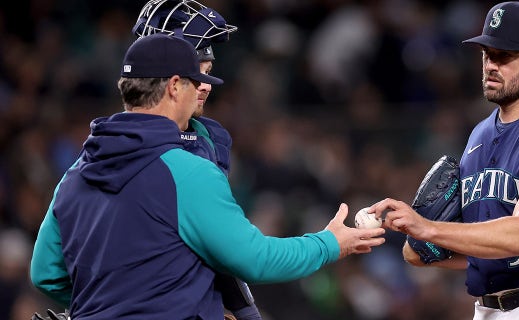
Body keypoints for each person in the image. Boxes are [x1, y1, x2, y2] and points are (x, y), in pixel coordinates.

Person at [29, 33, 385, 319]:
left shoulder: (74, 174)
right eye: (195, 81)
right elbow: (257, 260)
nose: (204, 89)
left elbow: (45, 272)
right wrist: (329, 244)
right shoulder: (186, 171)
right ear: (173, 86)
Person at [368, 1, 519, 319]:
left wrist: (429, 229)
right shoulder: (479, 134)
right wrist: (424, 247)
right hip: (488, 308)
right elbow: (485, 251)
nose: (491, 64)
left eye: (505, 55)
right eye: (487, 53)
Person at [133, 1, 262, 319]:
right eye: (196, 72)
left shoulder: (211, 139)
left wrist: (243, 312)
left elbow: (220, 249)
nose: (206, 85)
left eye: (209, 71)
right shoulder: (108, 147)